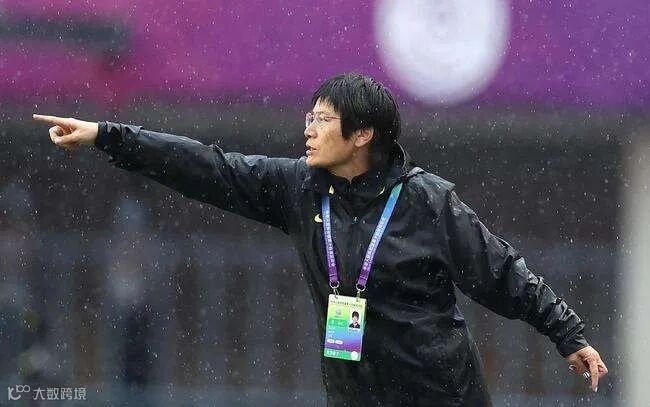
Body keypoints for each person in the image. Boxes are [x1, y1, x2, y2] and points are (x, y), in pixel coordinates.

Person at [33, 73, 608, 406]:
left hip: (439, 395)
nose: (307, 129)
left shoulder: (426, 201)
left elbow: (500, 271)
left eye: (323, 119)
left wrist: (567, 334)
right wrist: (107, 136)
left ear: (362, 134)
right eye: (308, 117)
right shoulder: (300, 189)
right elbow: (207, 168)